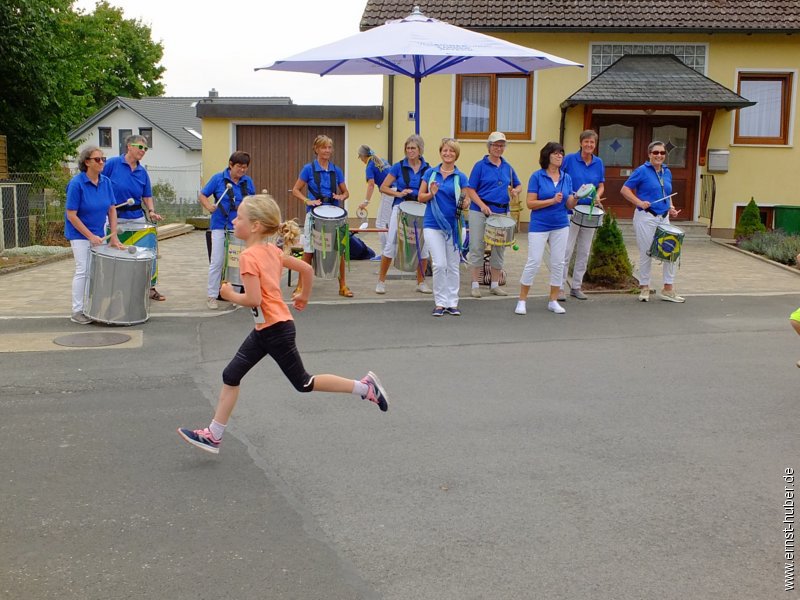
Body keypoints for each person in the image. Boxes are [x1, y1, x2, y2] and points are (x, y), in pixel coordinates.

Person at [177, 194, 388, 455]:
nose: (234, 219)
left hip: (275, 330)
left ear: (254, 226)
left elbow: (253, 298)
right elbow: (306, 270)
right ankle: (213, 435)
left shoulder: (248, 257)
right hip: (269, 327)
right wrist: (304, 296)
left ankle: (365, 387)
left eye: (239, 217)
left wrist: (230, 295)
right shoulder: (272, 251)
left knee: (304, 383)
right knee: (230, 376)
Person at [515, 142, 577, 316]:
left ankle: (553, 300)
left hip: (561, 224)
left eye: (561, 154)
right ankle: (522, 300)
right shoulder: (537, 176)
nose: (559, 156)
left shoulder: (567, 177)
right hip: (539, 225)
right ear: (547, 156)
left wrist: (578, 197)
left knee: (558, 262)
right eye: (556, 153)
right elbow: (530, 203)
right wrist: (551, 200)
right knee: (533, 261)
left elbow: (569, 203)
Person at [65, 146, 124, 324]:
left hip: (98, 233)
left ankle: (94, 307)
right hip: (79, 234)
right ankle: (77, 310)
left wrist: (113, 235)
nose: (102, 162)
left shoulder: (105, 182)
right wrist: (89, 235)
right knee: (83, 270)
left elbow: (112, 209)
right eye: (97, 159)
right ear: (87, 162)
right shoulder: (77, 184)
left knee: (97, 272)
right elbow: (71, 215)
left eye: (103, 159)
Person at [102, 134, 165, 301]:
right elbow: (100, 182)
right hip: (115, 217)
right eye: (140, 147)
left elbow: (147, 195)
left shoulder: (142, 172)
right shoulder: (112, 164)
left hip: (137, 217)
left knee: (145, 252)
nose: (143, 151)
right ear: (129, 146)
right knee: (116, 252)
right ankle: (115, 287)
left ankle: (149, 287)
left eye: (145, 149)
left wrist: (151, 211)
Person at [621, 140, 684, 303]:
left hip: (664, 216)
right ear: (649, 154)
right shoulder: (641, 171)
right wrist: (639, 202)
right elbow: (625, 189)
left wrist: (671, 207)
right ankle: (644, 287)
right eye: (655, 153)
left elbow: (667, 193)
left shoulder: (667, 172)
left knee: (670, 251)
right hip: (646, 216)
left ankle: (668, 289)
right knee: (647, 252)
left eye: (662, 153)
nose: (659, 156)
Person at [291, 135, 353, 297]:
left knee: (339, 250)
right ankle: (300, 286)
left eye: (329, 147)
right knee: (308, 251)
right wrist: (307, 200)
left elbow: (346, 192)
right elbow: (296, 189)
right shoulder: (308, 169)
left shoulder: (336, 170)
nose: (327, 150)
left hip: (335, 214)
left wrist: (342, 196)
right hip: (314, 215)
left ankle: (343, 286)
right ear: (316, 149)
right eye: (324, 147)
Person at [466, 131, 522, 298]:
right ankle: (475, 284)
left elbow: (518, 186)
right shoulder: (480, 166)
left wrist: (515, 191)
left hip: (501, 212)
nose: (499, 148)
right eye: (496, 145)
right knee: (477, 246)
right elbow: (470, 189)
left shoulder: (508, 167)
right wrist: (482, 205)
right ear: (489, 147)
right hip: (480, 211)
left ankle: (495, 284)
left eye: (501, 145)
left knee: (499, 248)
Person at [418, 138, 471, 316]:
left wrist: (465, 204)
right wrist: (431, 193)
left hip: (455, 226)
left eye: (452, 151)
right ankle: (440, 302)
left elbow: (466, 200)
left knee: (453, 265)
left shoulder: (461, 177)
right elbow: (420, 197)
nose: (448, 154)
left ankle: (452, 302)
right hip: (433, 224)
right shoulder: (430, 174)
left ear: (456, 155)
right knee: (440, 264)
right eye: (445, 150)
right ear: (440, 152)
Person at [375, 134, 432, 295]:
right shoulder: (398, 167)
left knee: (423, 245)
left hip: (421, 209)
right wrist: (399, 194)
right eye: (408, 148)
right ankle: (381, 281)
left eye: (413, 148)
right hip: (401, 207)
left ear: (420, 150)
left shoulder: (428, 169)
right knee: (391, 242)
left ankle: (421, 282)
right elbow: (383, 187)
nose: (410, 151)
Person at [198, 151, 256, 309]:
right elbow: (202, 195)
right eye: (239, 167)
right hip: (220, 225)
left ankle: (235, 297)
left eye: (245, 167)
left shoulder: (247, 181)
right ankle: (212, 295)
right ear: (231, 165)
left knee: (237, 262)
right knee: (217, 261)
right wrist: (209, 206)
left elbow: (253, 202)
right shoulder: (218, 178)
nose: (242, 170)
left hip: (240, 227)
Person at [561, 130, 606, 300]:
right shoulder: (570, 159)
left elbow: (601, 184)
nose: (589, 145)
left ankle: (576, 286)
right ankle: (559, 287)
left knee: (584, 251)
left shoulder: (598, 162)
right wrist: (573, 194)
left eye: (592, 143)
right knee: (566, 250)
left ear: (595, 145)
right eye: (586, 142)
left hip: (589, 213)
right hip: (571, 210)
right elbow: (562, 180)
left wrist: (598, 195)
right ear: (580, 143)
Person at [356, 145, 393, 255]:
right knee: (389, 224)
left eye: (360, 157)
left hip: (388, 193)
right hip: (395, 191)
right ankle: (391, 252)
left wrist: (366, 202)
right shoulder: (381, 160)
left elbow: (371, 185)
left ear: (363, 156)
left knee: (380, 224)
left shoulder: (370, 166)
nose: (361, 160)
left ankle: (385, 254)